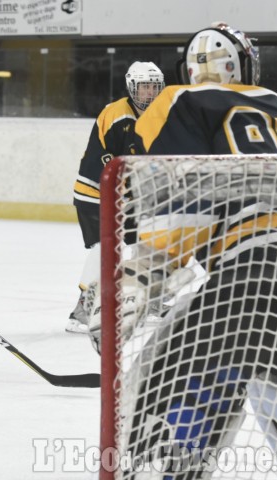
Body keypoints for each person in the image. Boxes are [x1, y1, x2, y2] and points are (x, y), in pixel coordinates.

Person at [105, 22, 277, 476]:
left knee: (161, 378)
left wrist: (143, 275)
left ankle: (163, 464)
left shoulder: (179, 99)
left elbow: (189, 195)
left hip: (258, 270)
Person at [67, 61, 164, 333]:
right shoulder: (116, 114)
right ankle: (82, 312)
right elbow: (105, 161)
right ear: (132, 87)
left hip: (129, 197)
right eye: (145, 87)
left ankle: (152, 302)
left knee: (151, 243)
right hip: (94, 194)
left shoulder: (156, 116)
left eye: (154, 87)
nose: (150, 93)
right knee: (104, 248)